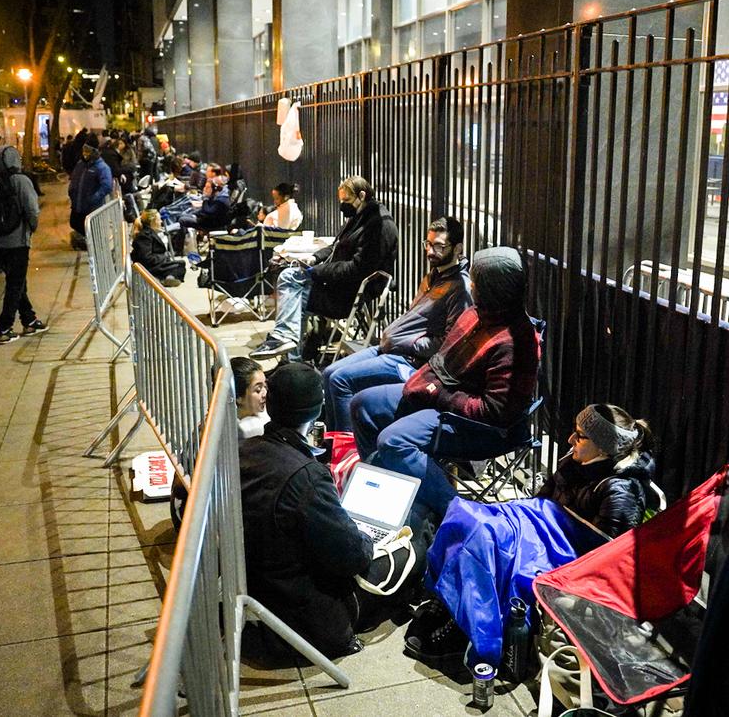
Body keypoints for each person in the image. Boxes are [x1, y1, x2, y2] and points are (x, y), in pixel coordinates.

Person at [405, 404, 662, 667]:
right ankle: (448, 599)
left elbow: (605, 557)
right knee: (464, 516)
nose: (570, 440)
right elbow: (538, 504)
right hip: (538, 531)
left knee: (485, 539)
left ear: (604, 448)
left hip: (563, 554)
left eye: (580, 436)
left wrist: (526, 531)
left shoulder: (621, 491)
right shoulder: (576, 461)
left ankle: (468, 628)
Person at [348, 246, 538, 519]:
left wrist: (438, 393)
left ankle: (458, 515)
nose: (471, 286)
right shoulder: (475, 315)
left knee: (393, 441)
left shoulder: (516, 342)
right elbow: (441, 361)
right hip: (443, 395)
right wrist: (428, 386)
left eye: (477, 282)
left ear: (493, 289)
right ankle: (386, 494)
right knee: (363, 404)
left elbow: (495, 412)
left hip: (478, 426)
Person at [239, 362, 373, 659]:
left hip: (254, 584)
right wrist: (367, 537)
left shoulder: (243, 451)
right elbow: (351, 556)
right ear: (317, 410)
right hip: (297, 612)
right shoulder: (306, 476)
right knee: (410, 546)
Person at [321, 217, 472, 431]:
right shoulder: (433, 276)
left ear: (457, 248)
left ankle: (346, 448)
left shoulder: (460, 288)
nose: (430, 251)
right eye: (428, 244)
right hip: (391, 349)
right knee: (329, 373)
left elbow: (450, 343)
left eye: (439, 246)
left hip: (411, 360)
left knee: (340, 381)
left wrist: (410, 344)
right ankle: (332, 440)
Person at [250, 176, 398, 362]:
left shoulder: (378, 225)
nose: (343, 205)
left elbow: (357, 269)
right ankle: (288, 350)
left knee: (292, 289)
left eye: (346, 200)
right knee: (290, 281)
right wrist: (314, 258)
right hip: (337, 285)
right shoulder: (360, 216)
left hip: (348, 294)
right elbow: (336, 246)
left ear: (362, 195)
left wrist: (317, 271)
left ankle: (288, 350)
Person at [0, 145, 48, 343]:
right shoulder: (20, 180)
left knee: (17, 282)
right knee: (15, 285)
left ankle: (29, 319)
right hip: (17, 241)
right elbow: (32, 210)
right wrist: (33, 227)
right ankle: (4, 327)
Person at [70, 136, 114, 238]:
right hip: (77, 205)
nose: (85, 153)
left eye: (88, 151)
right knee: (76, 225)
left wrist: (94, 198)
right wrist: (71, 191)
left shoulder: (102, 167)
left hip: (91, 208)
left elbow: (107, 186)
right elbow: (74, 178)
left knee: (92, 232)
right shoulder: (80, 164)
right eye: (84, 150)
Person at [130, 209, 184, 286]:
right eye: (159, 220)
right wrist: (163, 257)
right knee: (177, 266)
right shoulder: (145, 236)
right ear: (153, 222)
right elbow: (146, 257)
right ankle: (162, 278)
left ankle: (167, 278)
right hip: (148, 267)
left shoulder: (150, 233)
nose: (161, 222)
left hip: (156, 263)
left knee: (181, 264)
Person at [233, 356, 269, 439]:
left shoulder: (268, 413)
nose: (265, 394)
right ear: (238, 397)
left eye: (265, 386)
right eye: (258, 390)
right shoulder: (239, 431)